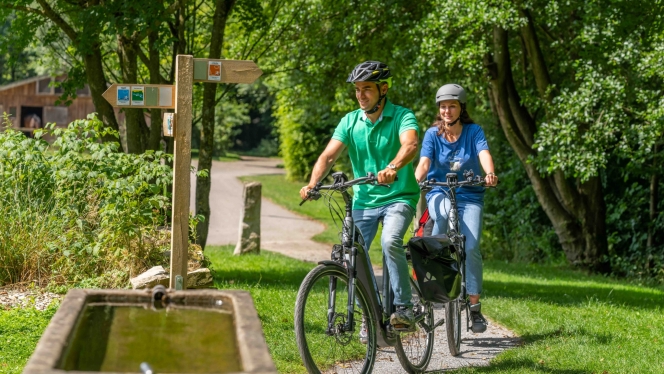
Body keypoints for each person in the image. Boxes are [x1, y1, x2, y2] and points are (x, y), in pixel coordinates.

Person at [299, 61, 420, 337]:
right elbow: (329, 156)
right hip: (364, 201)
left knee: (390, 241)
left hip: (398, 196)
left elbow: (410, 144)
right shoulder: (350, 120)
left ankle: (404, 308)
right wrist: (312, 183)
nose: (361, 95)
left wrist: (393, 168)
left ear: (383, 89)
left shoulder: (402, 116)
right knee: (351, 253)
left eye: (367, 89)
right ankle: (369, 312)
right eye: (357, 90)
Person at [414, 83, 497, 333]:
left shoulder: (473, 131)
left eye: (452, 106)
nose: (447, 110)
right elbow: (425, 161)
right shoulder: (432, 135)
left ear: (461, 108)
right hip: (440, 191)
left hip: (470, 195)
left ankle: (474, 307)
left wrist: (489, 173)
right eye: (443, 106)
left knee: (471, 248)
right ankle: (439, 282)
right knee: (439, 219)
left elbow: (483, 153)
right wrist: (417, 178)